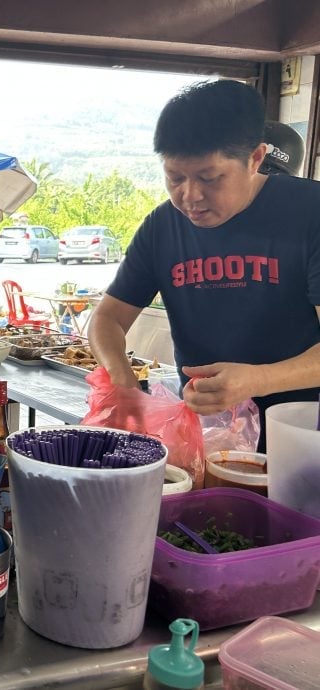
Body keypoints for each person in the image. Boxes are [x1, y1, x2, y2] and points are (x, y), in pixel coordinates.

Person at [88, 79, 320, 451]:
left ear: (256, 158)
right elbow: (107, 318)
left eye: (210, 178)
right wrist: (123, 383)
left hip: (302, 439)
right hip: (207, 437)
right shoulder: (162, 227)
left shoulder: (310, 213)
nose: (190, 196)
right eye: (174, 177)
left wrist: (256, 381)